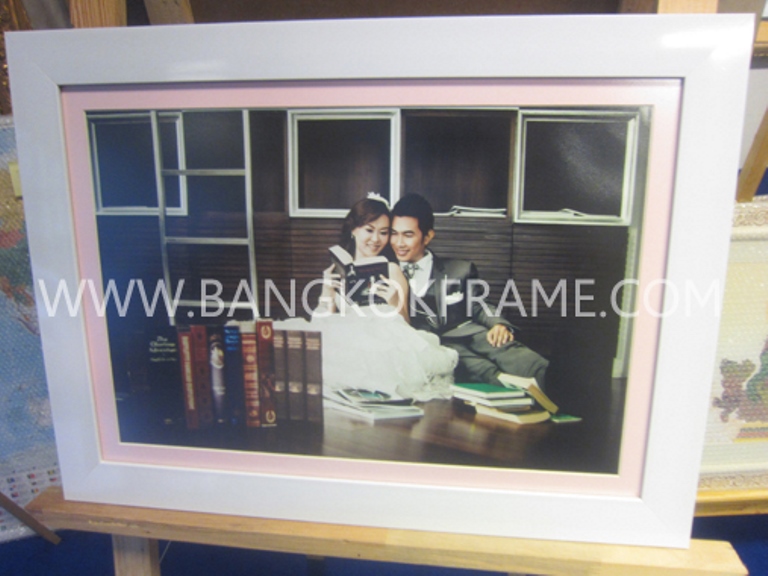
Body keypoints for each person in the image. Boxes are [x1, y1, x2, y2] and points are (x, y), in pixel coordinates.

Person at [277, 193, 458, 400]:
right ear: (354, 230)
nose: (376, 239)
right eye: (369, 230)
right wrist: (327, 290)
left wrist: (394, 302)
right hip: (345, 338)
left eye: (384, 232)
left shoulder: (392, 270)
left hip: (384, 343)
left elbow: (406, 326)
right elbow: (321, 323)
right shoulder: (338, 269)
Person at [390, 193, 549, 390]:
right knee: (489, 374)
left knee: (529, 363)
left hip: (471, 335)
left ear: (428, 236)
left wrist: (498, 324)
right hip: (433, 347)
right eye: (394, 233)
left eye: (408, 235)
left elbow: (480, 305)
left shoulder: (459, 269)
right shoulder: (386, 274)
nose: (399, 243)